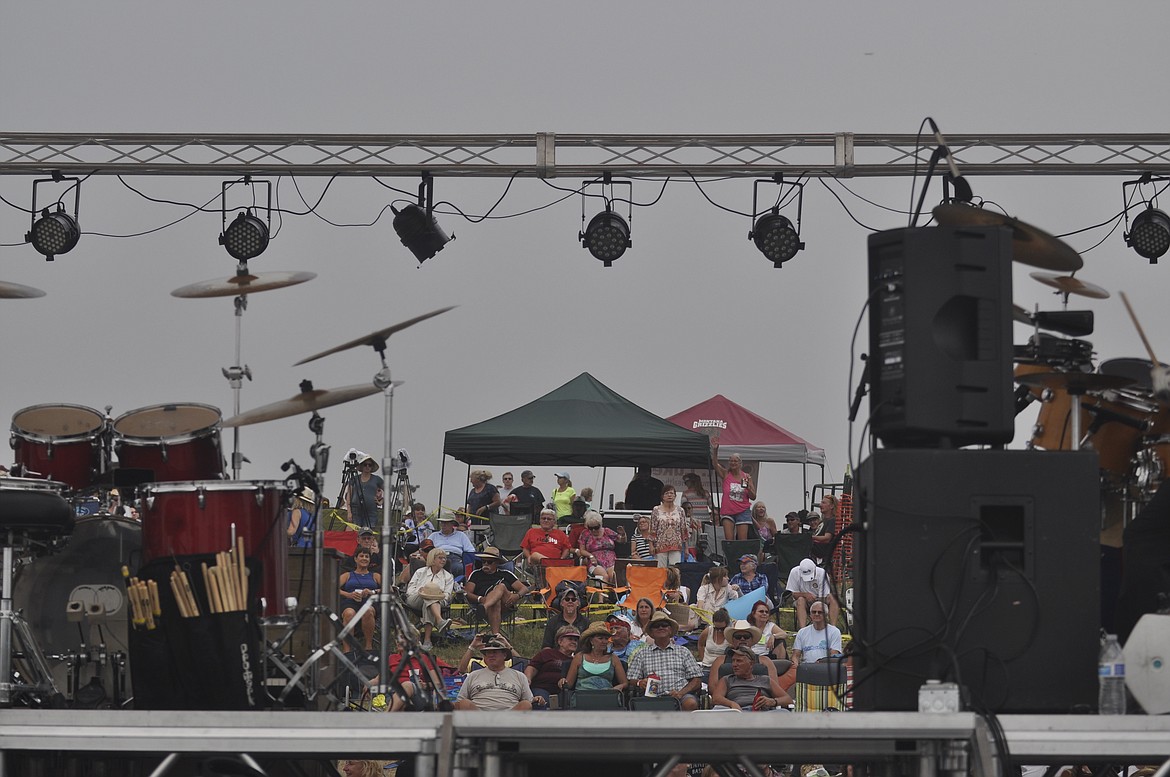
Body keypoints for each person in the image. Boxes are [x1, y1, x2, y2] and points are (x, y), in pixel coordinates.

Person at [626, 610, 704, 711]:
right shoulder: (641, 653)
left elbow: (697, 680)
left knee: (691, 703)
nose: (661, 627)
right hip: (651, 697)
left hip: (680, 696)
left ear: (670, 630)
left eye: (664, 625)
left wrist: (681, 693)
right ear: (652, 633)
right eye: (656, 625)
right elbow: (631, 679)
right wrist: (639, 682)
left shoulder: (683, 651)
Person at [454, 634, 533, 711]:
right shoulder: (473, 675)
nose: (491, 655)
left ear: (504, 655)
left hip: (510, 716)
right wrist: (472, 646)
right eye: (488, 653)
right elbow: (459, 701)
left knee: (526, 704)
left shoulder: (519, 676)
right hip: (478, 715)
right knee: (464, 703)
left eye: (495, 652)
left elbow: (529, 700)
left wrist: (537, 699)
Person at [463, 546, 529, 637]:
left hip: (506, 603)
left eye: (489, 562)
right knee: (495, 602)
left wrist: (517, 596)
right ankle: (496, 637)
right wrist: (480, 599)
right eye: (483, 561)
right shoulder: (476, 574)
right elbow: (467, 593)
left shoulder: (505, 574)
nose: (485, 564)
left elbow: (524, 589)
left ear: (497, 563)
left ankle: (484, 607)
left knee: (501, 586)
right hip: (487, 602)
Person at [709, 645, 792, 711]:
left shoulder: (765, 680)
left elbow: (787, 699)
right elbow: (716, 698)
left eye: (739, 661)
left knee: (783, 712)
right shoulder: (727, 679)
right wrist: (731, 704)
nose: (734, 664)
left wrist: (772, 701)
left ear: (751, 664)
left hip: (764, 713)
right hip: (739, 712)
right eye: (733, 661)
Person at [405, 547, 455, 651]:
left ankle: (427, 641)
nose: (443, 560)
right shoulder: (420, 572)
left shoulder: (448, 576)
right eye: (440, 558)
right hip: (415, 599)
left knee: (430, 599)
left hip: (438, 602)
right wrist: (421, 591)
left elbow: (447, 595)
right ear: (432, 559)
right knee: (428, 594)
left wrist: (435, 594)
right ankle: (439, 621)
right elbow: (410, 589)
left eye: (445, 558)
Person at [566, 620, 628, 696]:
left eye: (606, 638)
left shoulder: (613, 658)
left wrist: (620, 686)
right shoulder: (579, 657)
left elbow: (625, 683)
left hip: (607, 697)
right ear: (591, 640)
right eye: (600, 638)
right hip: (582, 697)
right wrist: (562, 681)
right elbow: (568, 684)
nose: (604, 641)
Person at [525, 624, 580, 708]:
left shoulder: (577, 659)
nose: (574, 642)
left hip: (564, 692)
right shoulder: (547, 653)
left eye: (576, 640)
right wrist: (527, 679)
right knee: (541, 702)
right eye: (570, 639)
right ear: (560, 641)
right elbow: (532, 667)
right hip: (542, 688)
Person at [711, 438, 756, 540]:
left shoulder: (746, 477)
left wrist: (749, 488)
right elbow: (714, 464)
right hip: (728, 511)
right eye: (731, 461)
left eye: (735, 461)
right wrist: (715, 450)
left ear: (740, 463)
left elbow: (753, 497)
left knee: (742, 540)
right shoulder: (726, 474)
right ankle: (730, 556)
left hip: (742, 510)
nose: (733, 463)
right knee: (729, 540)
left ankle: (741, 556)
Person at [338, 549, 380, 653]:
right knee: (349, 613)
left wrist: (372, 591)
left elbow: (389, 589)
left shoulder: (375, 576)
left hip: (369, 602)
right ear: (356, 559)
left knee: (368, 610)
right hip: (351, 601)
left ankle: (368, 647)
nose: (364, 559)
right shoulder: (347, 575)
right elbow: (332, 586)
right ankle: (347, 650)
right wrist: (348, 594)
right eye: (361, 556)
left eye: (367, 557)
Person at [785, 557, 839, 628]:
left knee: (833, 598)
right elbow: (794, 594)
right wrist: (806, 595)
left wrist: (816, 600)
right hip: (804, 600)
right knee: (800, 600)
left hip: (821, 599)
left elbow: (824, 595)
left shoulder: (822, 574)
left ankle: (833, 628)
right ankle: (803, 630)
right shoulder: (794, 572)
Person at [648, 484, 689, 568]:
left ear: (675, 496)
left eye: (671, 493)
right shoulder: (656, 509)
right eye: (667, 493)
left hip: (676, 544)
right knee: (660, 570)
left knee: (674, 570)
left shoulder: (680, 510)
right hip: (660, 545)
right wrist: (651, 545)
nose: (669, 495)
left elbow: (683, 529)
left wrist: (686, 548)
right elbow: (653, 529)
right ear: (662, 496)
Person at [541, 581, 590, 649]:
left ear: (578, 603)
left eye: (573, 599)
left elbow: (589, 646)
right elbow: (546, 646)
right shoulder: (552, 622)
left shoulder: (586, 622)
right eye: (567, 599)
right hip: (557, 657)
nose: (570, 601)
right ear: (561, 603)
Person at [343, 452, 383, 531]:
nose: (367, 467)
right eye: (365, 464)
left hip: (370, 512)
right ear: (361, 466)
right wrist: (349, 512)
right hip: (356, 511)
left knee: (368, 533)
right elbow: (349, 496)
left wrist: (380, 502)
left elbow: (389, 490)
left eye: (369, 465)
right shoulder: (354, 478)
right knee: (354, 533)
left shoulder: (376, 479)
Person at [578, 510, 618, 584]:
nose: (593, 530)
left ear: (600, 524)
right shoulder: (585, 533)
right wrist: (591, 556)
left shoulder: (607, 531)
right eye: (590, 528)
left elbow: (621, 540)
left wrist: (623, 535)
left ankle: (614, 594)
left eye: (596, 527)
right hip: (594, 561)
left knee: (613, 575)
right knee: (603, 576)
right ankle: (602, 595)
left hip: (611, 560)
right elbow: (582, 550)